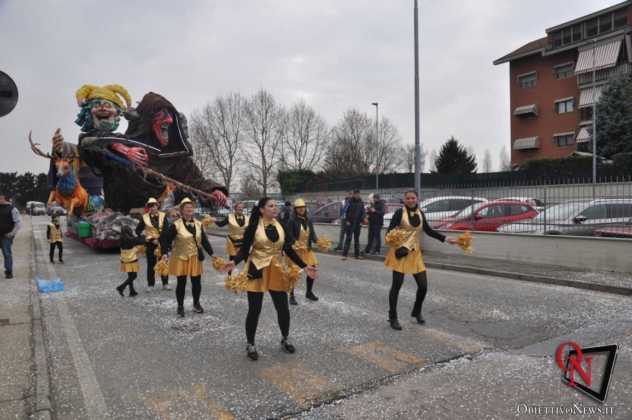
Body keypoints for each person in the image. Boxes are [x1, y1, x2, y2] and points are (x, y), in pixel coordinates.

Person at [222, 198, 318, 361]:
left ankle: (285, 339)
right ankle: (250, 344)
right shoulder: (253, 226)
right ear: (261, 209)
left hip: (277, 269)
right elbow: (245, 249)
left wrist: (304, 265)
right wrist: (234, 261)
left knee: (283, 308)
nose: (275, 208)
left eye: (276, 206)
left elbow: (288, 249)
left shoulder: (281, 225)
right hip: (257, 269)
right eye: (271, 206)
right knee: (254, 310)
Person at [384, 190, 458, 330]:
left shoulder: (420, 213)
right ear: (404, 200)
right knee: (396, 286)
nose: (411, 200)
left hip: (415, 254)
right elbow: (389, 233)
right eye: (408, 198)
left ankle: (416, 311)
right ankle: (393, 316)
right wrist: (398, 243)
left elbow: (429, 231)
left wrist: (447, 239)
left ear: (417, 199)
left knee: (423, 286)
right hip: (400, 253)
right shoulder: (399, 213)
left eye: (413, 198)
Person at [160, 197, 214, 317]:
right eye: (186, 207)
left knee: (196, 283)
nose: (189, 209)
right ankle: (180, 306)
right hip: (180, 257)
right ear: (182, 211)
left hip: (195, 257)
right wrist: (164, 253)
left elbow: (204, 241)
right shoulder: (176, 225)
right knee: (181, 283)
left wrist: (212, 254)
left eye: (191, 207)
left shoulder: (199, 224)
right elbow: (165, 239)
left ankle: (196, 303)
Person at [287, 198, 320, 305]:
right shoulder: (292, 221)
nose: (301, 210)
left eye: (303, 208)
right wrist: (294, 242)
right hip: (296, 252)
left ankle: (309, 292)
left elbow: (312, 234)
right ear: (295, 209)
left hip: (307, 250)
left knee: (312, 268)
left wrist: (319, 242)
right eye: (299, 208)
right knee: (294, 273)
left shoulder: (308, 220)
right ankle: (291, 295)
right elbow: (289, 235)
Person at [135, 197, 170, 290]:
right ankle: (150, 285)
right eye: (151, 206)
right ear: (148, 208)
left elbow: (166, 230)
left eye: (154, 206)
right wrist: (148, 239)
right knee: (151, 264)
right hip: (150, 244)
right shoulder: (144, 217)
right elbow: (137, 230)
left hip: (162, 243)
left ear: (157, 206)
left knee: (164, 262)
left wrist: (160, 239)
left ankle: (165, 283)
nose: (153, 208)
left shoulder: (163, 215)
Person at [212, 201, 249, 270]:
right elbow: (221, 224)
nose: (241, 209)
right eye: (239, 207)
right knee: (232, 259)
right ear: (235, 208)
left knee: (246, 259)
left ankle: (249, 276)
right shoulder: (229, 217)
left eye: (242, 207)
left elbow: (250, 230)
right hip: (232, 241)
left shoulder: (247, 218)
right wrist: (214, 220)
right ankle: (230, 276)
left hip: (243, 241)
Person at [116, 226, 146, 297]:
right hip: (132, 259)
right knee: (133, 276)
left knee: (130, 276)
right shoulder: (131, 239)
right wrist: (143, 235)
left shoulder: (121, 239)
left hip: (124, 260)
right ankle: (121, 287)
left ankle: (132, 291)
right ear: (129, 231)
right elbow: (141, 241)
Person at [0, 192, 21, 279]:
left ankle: (9, 272)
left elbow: (18, 223)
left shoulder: (12, 209)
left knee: (7, 254)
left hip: (6, 236)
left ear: (3, 198)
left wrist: (12, 234)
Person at [342, 190, 366, 260]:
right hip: (350, 223)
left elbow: (363, 212)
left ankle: (357, 255)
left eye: (358, 194)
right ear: (354, 195)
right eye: (356, 194)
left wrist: (363, 219)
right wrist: (347, 220)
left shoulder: (361, 202)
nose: (357, 196)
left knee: (357, 239)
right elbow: (345, 211)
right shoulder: (349, 201)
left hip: (358, 223)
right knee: (348, 238)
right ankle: (344, 255)